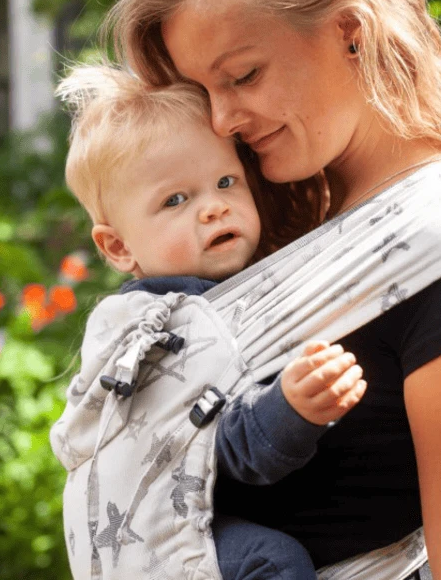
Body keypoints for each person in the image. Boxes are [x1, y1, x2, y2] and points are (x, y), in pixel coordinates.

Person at [105, 0, 441, 579]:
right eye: (203, 92)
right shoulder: (275, 231)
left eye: (243, 76)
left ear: (350, 32)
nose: (221, 119)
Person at [53, 64, 367, 580]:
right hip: (149, 544)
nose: (214, 208)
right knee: (273, 563)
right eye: (175, 200)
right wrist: (291, 408)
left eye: (225, 182)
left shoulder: (235, 294)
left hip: (185, 521)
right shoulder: (154, 330)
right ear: (119, 246)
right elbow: (209, 447)